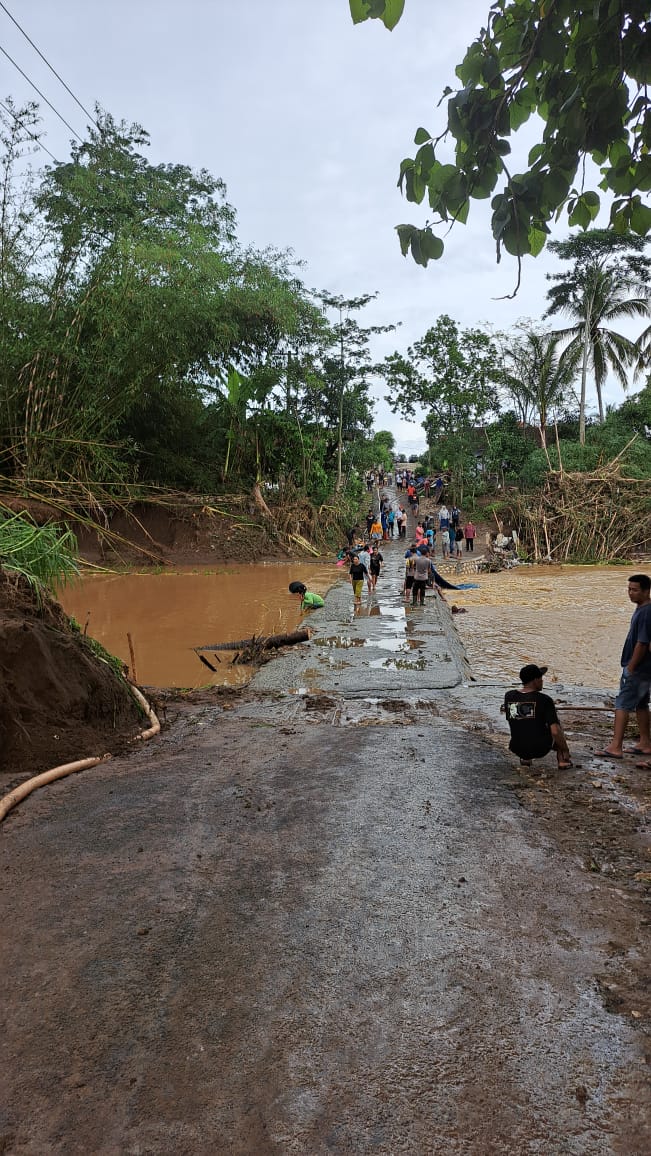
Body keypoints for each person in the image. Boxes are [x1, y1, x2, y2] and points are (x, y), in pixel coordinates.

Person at [598, 573, 651, 761]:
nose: (630, 593)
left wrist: (631, 667)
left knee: (622, 704)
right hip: (645, 669)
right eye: (628, 589)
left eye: (635, 590)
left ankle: (616, 746)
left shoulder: (645, 612)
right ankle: (645, 743)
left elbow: (642, 643)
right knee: (641, 704)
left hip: (638, 668)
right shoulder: (642, 608)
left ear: (646, 591)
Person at [504, 664, 572, 769]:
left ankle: (525, 758)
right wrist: (565, 749)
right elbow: (555, 731)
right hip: (540, 749)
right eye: (541, 678)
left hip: (516, 747)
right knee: (556, 724)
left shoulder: (509, 695)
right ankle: (562, 760)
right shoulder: (545, 700)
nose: (542, 681)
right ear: (535, 680)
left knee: (523, 721)